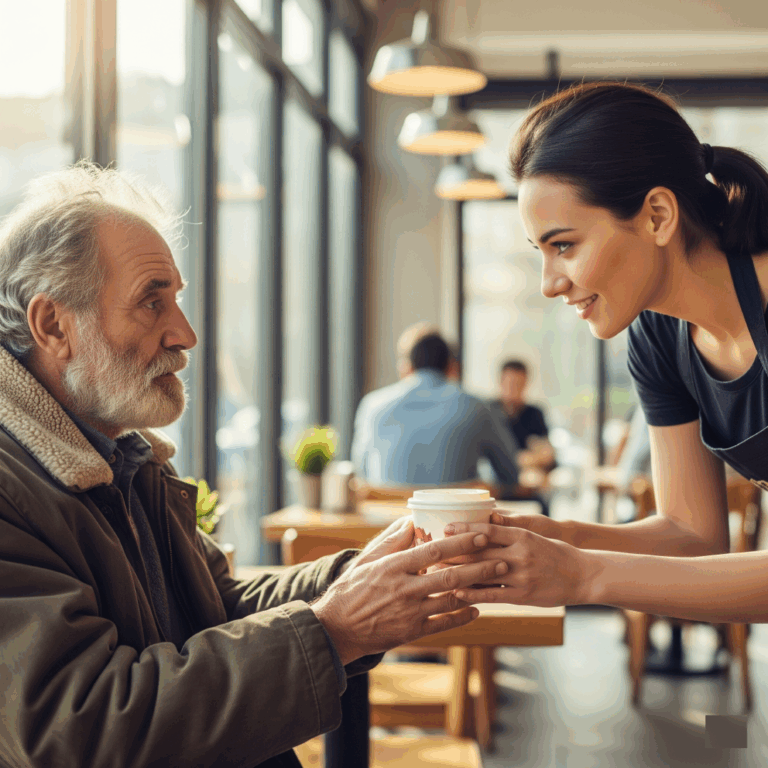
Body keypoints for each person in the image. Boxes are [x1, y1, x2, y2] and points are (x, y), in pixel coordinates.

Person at [0, 162, 509, 768]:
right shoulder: (14, 488)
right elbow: (78, 730)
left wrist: (360, 578)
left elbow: (218, 605)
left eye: (177, 301)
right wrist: (334, 628)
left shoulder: (125, 462)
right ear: (54, 324)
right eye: (151, 302)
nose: (184, 334)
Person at [438, 80, 768, 627]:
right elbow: (691, 536)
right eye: (541, 251)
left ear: (658, 216)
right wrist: (559, 538)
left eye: (563, 245)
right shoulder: (659, 337)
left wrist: (584, 574)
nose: (549, 283)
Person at [351, 328, 519, 488]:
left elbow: (361, 472)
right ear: (451, 367)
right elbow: (510, 475)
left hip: (387, 517)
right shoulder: (476, 407)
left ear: (409, 367)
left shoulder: (372, 405)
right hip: (452, 517)